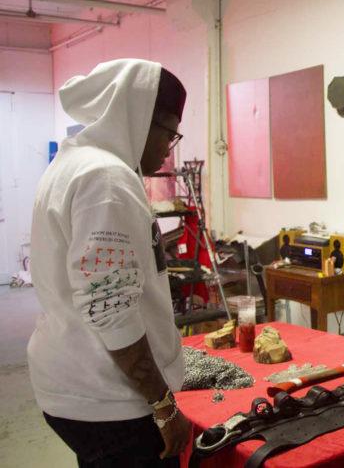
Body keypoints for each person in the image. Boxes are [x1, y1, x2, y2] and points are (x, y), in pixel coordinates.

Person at [28, 59, 191, 467]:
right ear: (138, 117)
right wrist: (163, 405)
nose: (169, 149)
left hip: (75, 381)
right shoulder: (106, 179)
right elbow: (110, 307)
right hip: (113, 400)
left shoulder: (73, 163)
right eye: (169, 133)